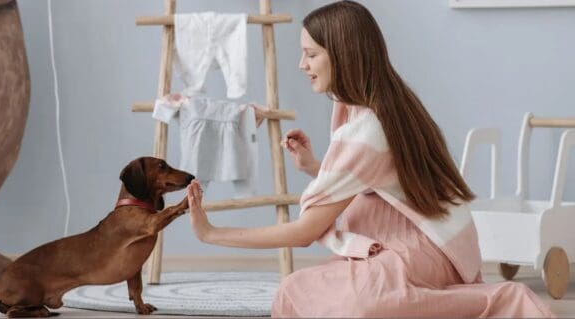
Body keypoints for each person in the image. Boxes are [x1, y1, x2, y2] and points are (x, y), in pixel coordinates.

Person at [186, 1, 556, 317]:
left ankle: (496, 300)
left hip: (421, 252)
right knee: (310, 292)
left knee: (304, 293)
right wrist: (317, 168)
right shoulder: (386, 104)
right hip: (442, 245)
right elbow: (387, 180)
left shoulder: (366, 129)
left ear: (344, 55)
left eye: (311, 54)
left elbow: (304, 233)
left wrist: (212, 233)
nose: (302, 64)